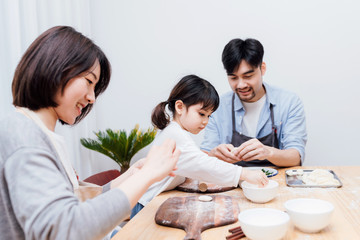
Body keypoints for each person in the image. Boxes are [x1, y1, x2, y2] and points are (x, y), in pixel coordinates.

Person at [0, 26, 180, 240]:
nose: (92, 98)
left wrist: (136, 175)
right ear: (56, 68)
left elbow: (75, 203)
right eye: (89, 82)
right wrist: (147, 174)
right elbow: (67, 228)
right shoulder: (24, 136)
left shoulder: (38, 132)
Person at [130, 74, 268, 218]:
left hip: (148, 202)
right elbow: (202, 165)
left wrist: (212, 155)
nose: (206, 121)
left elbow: (190, 162)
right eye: (201, 114)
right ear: (180, 107)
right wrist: (244, 173)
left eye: (209, 115)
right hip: (145, 207)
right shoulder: (176, 135)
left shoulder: (174, 131)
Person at [200, 38, 307, 167]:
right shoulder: (218, 106)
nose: (241, 85)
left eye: (248, 76)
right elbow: (204, 155)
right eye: (233, 78)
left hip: (275, 182)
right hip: (233, 182)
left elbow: (295, 157)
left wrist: (268, 152)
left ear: (262, 69)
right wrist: (212, 154)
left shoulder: (289, 102)